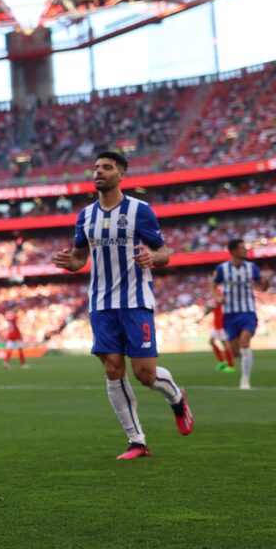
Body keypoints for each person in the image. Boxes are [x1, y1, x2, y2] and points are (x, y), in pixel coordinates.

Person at [53, 151, 194, 460]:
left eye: (106, 168)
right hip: (101, 304)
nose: (98, 173)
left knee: (145, 374)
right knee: (113, 370)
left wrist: (152, 258)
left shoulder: (140, 211)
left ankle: (176, 397)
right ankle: (137, 441)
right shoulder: (85, 216)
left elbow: (164, 253)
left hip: (135, 302)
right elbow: (79, 258)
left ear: (121, 175)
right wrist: (69, 263)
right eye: (95, 168)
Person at [214, 239, 264, 390]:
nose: (245, 250)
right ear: (234, 251)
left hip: (248, 312)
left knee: (245, 342)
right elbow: (213, 283)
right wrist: (216, 296)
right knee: (236, 352)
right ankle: (246, 362)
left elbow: (261, 285)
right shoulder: (222, 269)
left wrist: (265, 283)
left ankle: (245, 381)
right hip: (229, 315)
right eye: (242, 248)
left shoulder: (252, 267)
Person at [198, 301, 235, 372]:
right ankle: (222, 362)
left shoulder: (218, 297)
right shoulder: (217, 298)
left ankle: (230, 365)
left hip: (222, 325)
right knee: (211, 342)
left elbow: (211, 307)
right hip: (217, 325)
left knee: (225, 345)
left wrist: (203, 313)